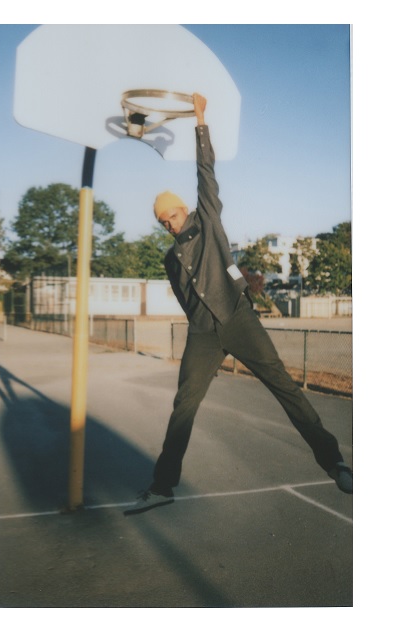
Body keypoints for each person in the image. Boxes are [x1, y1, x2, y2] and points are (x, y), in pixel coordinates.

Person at [124, 93, 352, 515]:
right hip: (204, 333)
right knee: (184, 406)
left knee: (284, 386)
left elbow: (205, 171)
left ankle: (334, 462)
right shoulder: (170, 259)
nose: (168, 224)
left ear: (183, 209)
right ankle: (162, 485)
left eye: (170, 216)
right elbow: (194, 293)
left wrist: (200, 118)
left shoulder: (208, 220)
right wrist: (216, 316)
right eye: (162, 222)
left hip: (238, 319)